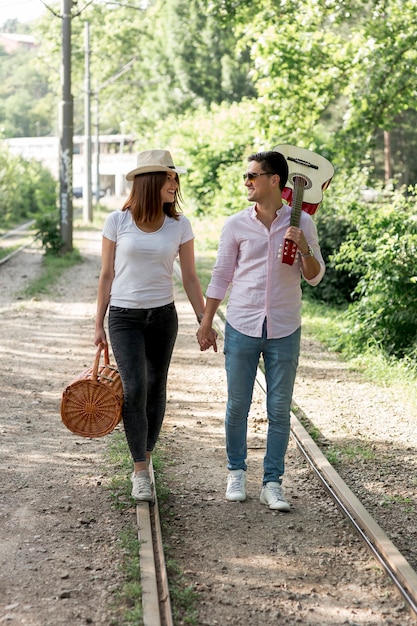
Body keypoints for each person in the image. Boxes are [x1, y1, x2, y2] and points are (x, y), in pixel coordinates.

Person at [197, 150, 325, 511]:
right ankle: (236, 471)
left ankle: (272, 482)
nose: (247, 182)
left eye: (253, 176)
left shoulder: (302, 224)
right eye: (246, 176)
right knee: (237, 405)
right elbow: (222, 274)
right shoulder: (236, 224)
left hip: (285, 326)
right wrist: (207, 322)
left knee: (279, 409)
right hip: (242, 324)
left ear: (275, 181)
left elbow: (315, 277)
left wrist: (303, 247)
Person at [94, 149, 213, 502]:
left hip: (162, 316)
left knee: (155, 387)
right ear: (150, 182)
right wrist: (97, 324)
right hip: (124, 317)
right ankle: (139, 472)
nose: (175, 184)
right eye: (169, 178)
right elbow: (106, 275)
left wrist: (204, 320)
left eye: (176, 178)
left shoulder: (180, 225)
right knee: (133, 389)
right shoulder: (118, 221)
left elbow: (190, 278)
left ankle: (146, 456)